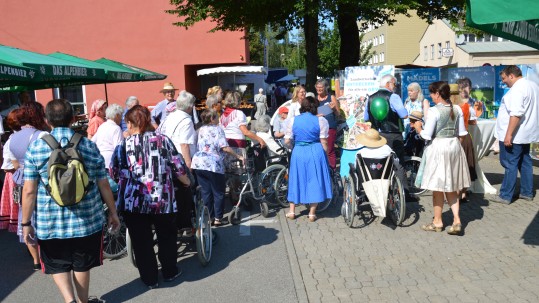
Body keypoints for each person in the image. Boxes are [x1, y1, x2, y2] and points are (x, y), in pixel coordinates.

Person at [22, 99, 120, 303]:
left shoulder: (36, 148)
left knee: (58, 263)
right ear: (73, 119)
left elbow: (29, 191)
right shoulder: (88, 146)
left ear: (47, 120)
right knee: (82, 263)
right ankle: (83, 301)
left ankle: (69, 300)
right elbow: (103, 183)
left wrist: (25, 223)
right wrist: (113, 212)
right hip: (86, 220)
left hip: (51, 223)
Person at [110, 105, 190, 289]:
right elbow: (179, 168)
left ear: (130, 123)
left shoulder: (123, 145)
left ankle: (150, 278)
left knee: (141, 242)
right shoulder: (163, 141)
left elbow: (114, 172)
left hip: (133, 202)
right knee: (167, 236)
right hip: (162, 200)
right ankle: (170, 271)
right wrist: (186, 182)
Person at [413, 81, 470, 235]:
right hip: (454, 146)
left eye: (432, 93)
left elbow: (427, 134)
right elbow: (463, 133)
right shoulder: (457, 108)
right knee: (450, 186)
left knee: (438, 187)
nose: (431, 97)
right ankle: (457, 220)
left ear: (437, 94)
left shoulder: (433, 111)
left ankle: (437, 221)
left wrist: (418, 127)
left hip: (439, 148)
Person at [490, 65, 539, 204]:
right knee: (526, 163)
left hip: (517, 134)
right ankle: (526, 192)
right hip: (530, 133)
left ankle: (505, 195)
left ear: (512, 75)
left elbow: (516, 113)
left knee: (510, 164)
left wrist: (508, 134)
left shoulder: (518, 89)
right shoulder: (533, 86)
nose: (504, 81)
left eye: (504, 78)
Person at [10, 104, 49, 271]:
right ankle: (47, 257)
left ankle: (35, 259)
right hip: (40, 182)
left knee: (26, 219)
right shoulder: (42, 135)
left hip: (21, 180)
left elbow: (15, 163)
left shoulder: (12, 138)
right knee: (43, 218)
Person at [284, 96, 332, 222]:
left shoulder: (293, 120)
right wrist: (325, 153)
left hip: (298, 151)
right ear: (315, 107)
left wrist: (293, 147)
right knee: (314, 180)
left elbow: (287, 141)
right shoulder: (321, 121)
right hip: (315, 151)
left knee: (296, 178)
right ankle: (311, 213)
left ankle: (292, 211)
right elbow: (324, 142)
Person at [191, 109, 243, 226]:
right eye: (216, 117)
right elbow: (224, 147)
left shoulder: (201, 129)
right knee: (218, 191)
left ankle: (209, 217)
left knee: (206, 191)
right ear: (212, 119)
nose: (218, 119)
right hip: (213, 163)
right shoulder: (217, 129)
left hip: (199, 162)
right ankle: (218, 218)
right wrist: (238, 156)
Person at [364, 74, 408, 164]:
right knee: (398, 162)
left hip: (377, 135)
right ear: (388, 84)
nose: (395, 87)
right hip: (393, 134)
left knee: (381, 161)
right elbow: (404, 115)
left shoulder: (370, 98)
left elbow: (366, 118)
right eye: (394, 84)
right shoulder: (393, 96)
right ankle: (400, 178)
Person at [220, 91, 266, 171]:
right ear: (237, 101)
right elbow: (245, 132)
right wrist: (259, 139)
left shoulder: (223, 115)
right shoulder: (239, 113)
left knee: (229, 174)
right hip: (238, 148)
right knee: (239, 173)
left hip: (226, 147)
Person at [450, 84, 478, 203]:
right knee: (466, 165)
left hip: (451, 138)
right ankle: (463, 194)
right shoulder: (467, 107)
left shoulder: (447, 107)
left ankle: (453, 193)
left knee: (453, 166)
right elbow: (473, 122)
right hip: (465, 138)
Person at [160, 90, 198, 170]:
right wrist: (189, 165)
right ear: (189, 106)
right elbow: (184, 144)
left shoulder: (171, 116)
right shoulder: (186, 121)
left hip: (170, 156)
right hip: (182, 159)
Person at [0, 110, 22, 233]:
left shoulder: (12, 139)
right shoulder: (12, 140)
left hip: (13, 175)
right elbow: (7, 166)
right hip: (15, 175)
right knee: (20, 204)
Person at [315, 79, 340, 170]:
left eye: (321, 87)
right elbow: (312, 114)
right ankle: (322, 169)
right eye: (317, 87)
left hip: (330, 127)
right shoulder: (314, 99)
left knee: (329, 149)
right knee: (320, 150)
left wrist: (333, 109)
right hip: (318, 128)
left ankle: (332, 170)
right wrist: (316, 115)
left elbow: (338, 114)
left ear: (325, 87)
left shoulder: (331, 97)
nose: (319, 89)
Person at [91, 103, 123, 168]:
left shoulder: (102, 126)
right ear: (117, 116)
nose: (121, 118)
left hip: (99, 160)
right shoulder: (116, 128)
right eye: (121, 116)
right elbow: (118, 148)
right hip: (110, 161)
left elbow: (92, 142)